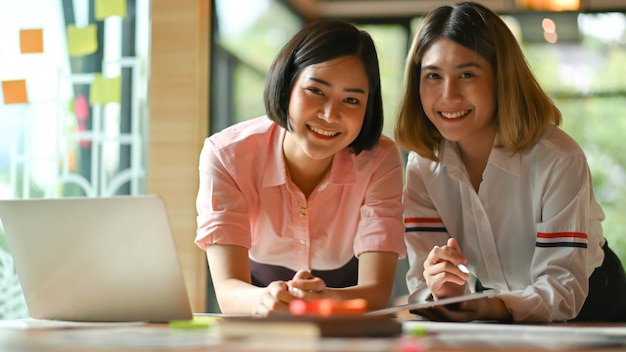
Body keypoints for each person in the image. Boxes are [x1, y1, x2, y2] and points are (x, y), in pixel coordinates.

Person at [395, 1, 626, 323]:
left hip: (592, 303)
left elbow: (563, 287)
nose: (448, 94)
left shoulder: (558, 158)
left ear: (502, 78)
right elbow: (424, 285)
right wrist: (442, 290)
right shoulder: (423, 164)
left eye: (467, 74)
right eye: (433, 75)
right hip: (496, 305)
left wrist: (490, 307)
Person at [194, 19, 406, 317]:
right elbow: (229, 290)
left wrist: (321, 300)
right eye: (317, 91)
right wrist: (265, 301)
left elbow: (376, 292)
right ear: (287, 84)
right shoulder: (227, 154)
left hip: (346, 310)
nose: (331, 115)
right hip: (257, 304)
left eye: (351, 99)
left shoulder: (380, 159)